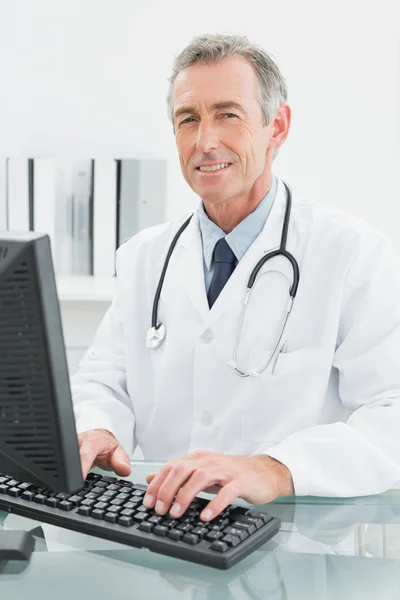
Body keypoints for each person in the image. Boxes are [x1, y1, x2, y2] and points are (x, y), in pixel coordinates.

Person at [71, 33, 400, 524]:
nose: (206, 141)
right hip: (159, 531)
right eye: (189, 119)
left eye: (228, 114)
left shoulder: (351, 252)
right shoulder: (144, 258)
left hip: (294, 546)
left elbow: (390, 412)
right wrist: (98, 428)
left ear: (278, 126)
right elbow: (104, 381)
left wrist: (279, 468)